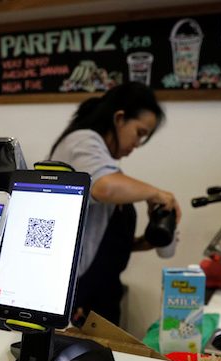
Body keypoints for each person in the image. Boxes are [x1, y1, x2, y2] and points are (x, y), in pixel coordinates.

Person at [48, 82, 182, 326]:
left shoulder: (106, 164)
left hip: (101, 295)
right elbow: (103, 187)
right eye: (139, 133)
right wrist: (157, 194)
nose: (137, 144)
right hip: (75, 292)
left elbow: (97, 238)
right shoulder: (83, 140)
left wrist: (145, 243)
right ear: (120, 118)